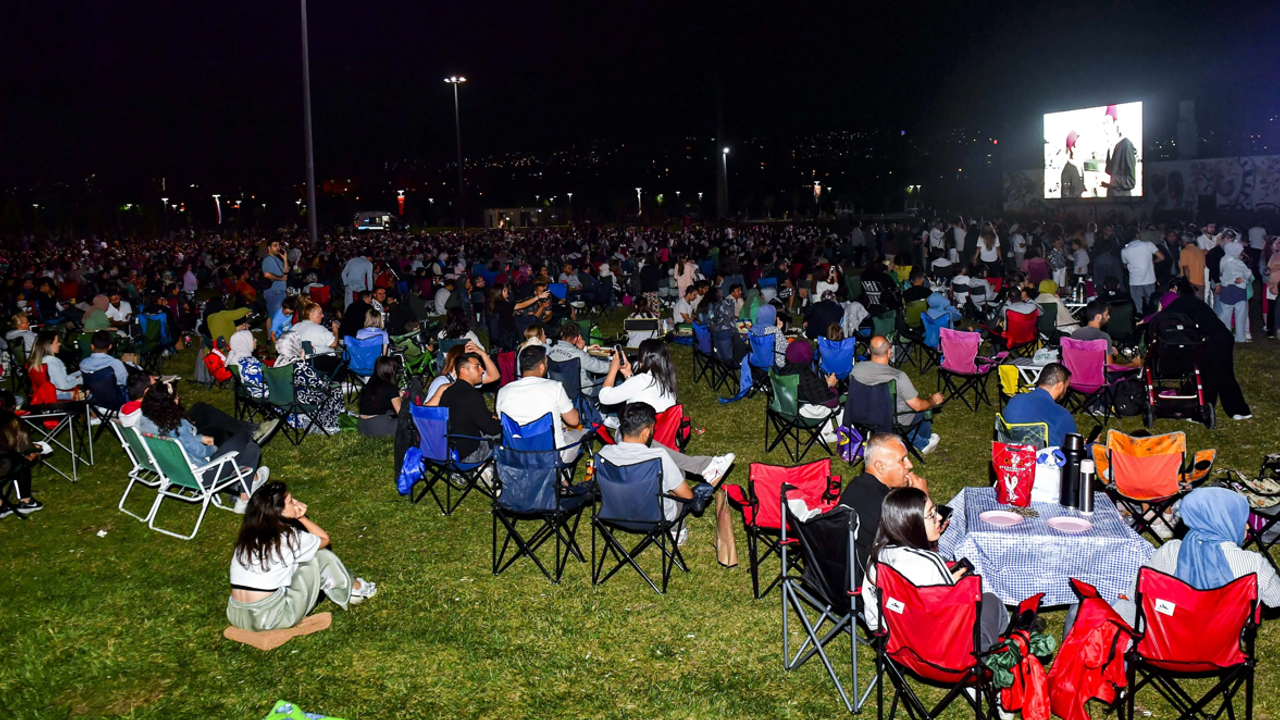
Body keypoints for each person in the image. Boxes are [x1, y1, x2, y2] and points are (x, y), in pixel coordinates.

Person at [861, 487, 1009, 651]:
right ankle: (994, 653)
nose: (938, 517)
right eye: (931, 514)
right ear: (911, 523)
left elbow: (874, 616)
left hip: (893, 640)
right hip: (937, 650)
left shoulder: (876, 557)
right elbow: (954, 614)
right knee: (990, 601)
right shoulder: (929, 563)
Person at [227, 481, 376, 632]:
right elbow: (324, 539)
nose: (296, 502)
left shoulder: (246, 540)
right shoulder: (287, 539)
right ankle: (355, 589)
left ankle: (350, 587)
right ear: (280, 511)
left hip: (236, 615)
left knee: (296, 561)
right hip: (271, 619)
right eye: (291, 501)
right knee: (320, 556)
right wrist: (301, 518)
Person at [597, 402, 731, 550]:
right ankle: (676, 532)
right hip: (654, 517)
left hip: (614, 514)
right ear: (647, 432)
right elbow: (686, 496)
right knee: (678, 475)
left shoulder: (604, 453)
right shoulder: (658, 457)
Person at [136, 379, 267, 513]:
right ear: (171, 403)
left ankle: (248, 483)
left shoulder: (147, 422)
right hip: (201, 475)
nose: (178, 400)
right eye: (176, 397)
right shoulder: (177, 423)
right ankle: (244, 496)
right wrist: (212, 449)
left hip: (175, 472)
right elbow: (197, 450)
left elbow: (180, 442)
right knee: (246, 439)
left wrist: (199, 437)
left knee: (232, 438)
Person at [1153, 279, 1251, 420]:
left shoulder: (1179, 304)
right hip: (1223, 336)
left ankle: (1202, 414)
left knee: (1207, 374)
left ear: (1174, 289)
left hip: (1209, 339)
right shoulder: (1198, 304)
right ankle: (1239, 411)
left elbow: (1161, 321)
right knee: (1224, 373)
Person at [496, 345, 586, 463]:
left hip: (517, 456)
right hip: (551, 457)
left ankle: (558, 479)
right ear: (542, 366)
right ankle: (559, 478)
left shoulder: (503, 392)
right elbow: (574, 421)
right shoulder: (554, 387)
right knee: (579, 432)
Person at [851, 337, 942, 454]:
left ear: (868, 351)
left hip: (865, 417)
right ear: (890, 352)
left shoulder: (856, 370)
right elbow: (918, 406)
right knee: (924, 407)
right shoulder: (898, 377)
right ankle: (923, 443)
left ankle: (919, 440)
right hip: (892, 421)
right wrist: (933, 400)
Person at [438, 351, 502, 465]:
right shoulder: (472, 395)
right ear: (464, 371)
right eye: (477, 367)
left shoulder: (448, 392)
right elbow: (492, 429)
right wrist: (500, 423)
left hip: (448, 451)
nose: (482, 370)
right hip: (468, 455)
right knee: (507, 432)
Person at [274, 332, 343, 434]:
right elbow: (318, 384)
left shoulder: (278, 362)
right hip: (302, 402)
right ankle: (331, 420)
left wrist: (301, 359)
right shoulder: (299, 365)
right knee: (335, 388)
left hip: (284, 402)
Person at [776, 340, 841, 441]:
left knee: (821, 397)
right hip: (801, 413)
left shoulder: (784, 370)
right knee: (840, 403)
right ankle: (842, 434)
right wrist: (831, 386)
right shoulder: (806, 376)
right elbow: (832, 401)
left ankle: (827, 432)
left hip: (784, 407)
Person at [1001, 363, 1077, 447]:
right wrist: (1092, 444)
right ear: (1061, 386)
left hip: (1012, 456)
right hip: (1045, 458)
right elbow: (1073, 450)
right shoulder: (1062, 415)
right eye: (1066, 387)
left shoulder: (1014, 401)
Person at [546, 322, 611, 398]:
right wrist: (616, 364)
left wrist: (581, 350)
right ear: (576, 338)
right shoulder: (578, 355)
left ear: (561, 334)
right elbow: (603, 368)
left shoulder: (551, 351)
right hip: (583, 392)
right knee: (617, 380)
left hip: (562, 391)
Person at [0, 409, 44, 517]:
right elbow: (26, 450)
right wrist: (36, 449)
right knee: (21, 459)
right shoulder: (10, 421)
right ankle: (26, 501)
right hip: (3, 465)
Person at [1071, 300, 1140, 369]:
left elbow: (1086, 353)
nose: (1109, 317)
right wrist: (1133, 364)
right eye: (1106, 314)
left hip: (1078, 375)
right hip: (1096, 377)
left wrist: (1107, 348)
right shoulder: (1103, 337)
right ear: (1098, 317)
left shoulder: (1075, 334)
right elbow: (1109, 368)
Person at [291, 298, 342, 374]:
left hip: (298, 361)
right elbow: (333, 343)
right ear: (312, 314)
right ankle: (338, 382)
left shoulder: (295, 327)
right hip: (317, 362)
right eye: (320, 313)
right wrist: (335, 329)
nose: (322, 316)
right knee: (343, 360)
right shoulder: (319, 328)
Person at [27, 331, 81, 402]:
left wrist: (79, 374)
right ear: (49, 345)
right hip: (58, 395)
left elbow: (59, 379)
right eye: (57, 341)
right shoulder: (53, 361)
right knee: (92, 395)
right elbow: (63, 386)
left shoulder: (37, 361)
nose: (59, 343)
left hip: (43, 395)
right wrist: (80, 380)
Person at [1120, 227, 1164, 313]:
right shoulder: (1148, 244)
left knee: (1137, 306)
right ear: (1137, 235)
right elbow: (1162, 257)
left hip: (1134, 281)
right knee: (1152, 304)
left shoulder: (1124, 250)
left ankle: (1139, 323)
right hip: (1149, 280)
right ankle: (1152, 322)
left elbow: (1124, 265)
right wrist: (1151, 262)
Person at [357, 357, 402, 437]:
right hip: (378, 428)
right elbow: (401, 413)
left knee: (389, 412)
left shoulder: (370, 383)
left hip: (362, 426)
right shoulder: (390, 387)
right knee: (410, 421)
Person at [1217, 241, 1252, 343]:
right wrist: (1243, 280)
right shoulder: (1238, 262)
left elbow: (1222, 274)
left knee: (1225, 314)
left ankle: (1225, 335)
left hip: (1226, 289)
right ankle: (1240, 337)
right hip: (1239, 290)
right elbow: (1248, 274)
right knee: (1240, 315)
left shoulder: (1223, 260)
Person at [748, 303, 790, 367]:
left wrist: (778, 328)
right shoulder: (774, 331)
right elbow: (786, 347)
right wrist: (778, 330)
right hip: (773, 365)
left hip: (757, 362)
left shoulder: (753, 329)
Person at [261, 239, 290, 318]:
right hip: (274, 291)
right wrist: (281, 278)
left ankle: (273, 330)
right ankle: (273, 330)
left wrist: (285, 259)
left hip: (280, 290)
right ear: (269, 248)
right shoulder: (268, 259)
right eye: (275, 245)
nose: (278, 248)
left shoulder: (276, 259)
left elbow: (286, 272)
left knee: (275, 316)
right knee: (274, 316)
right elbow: (266, 274)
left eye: (278, 246)